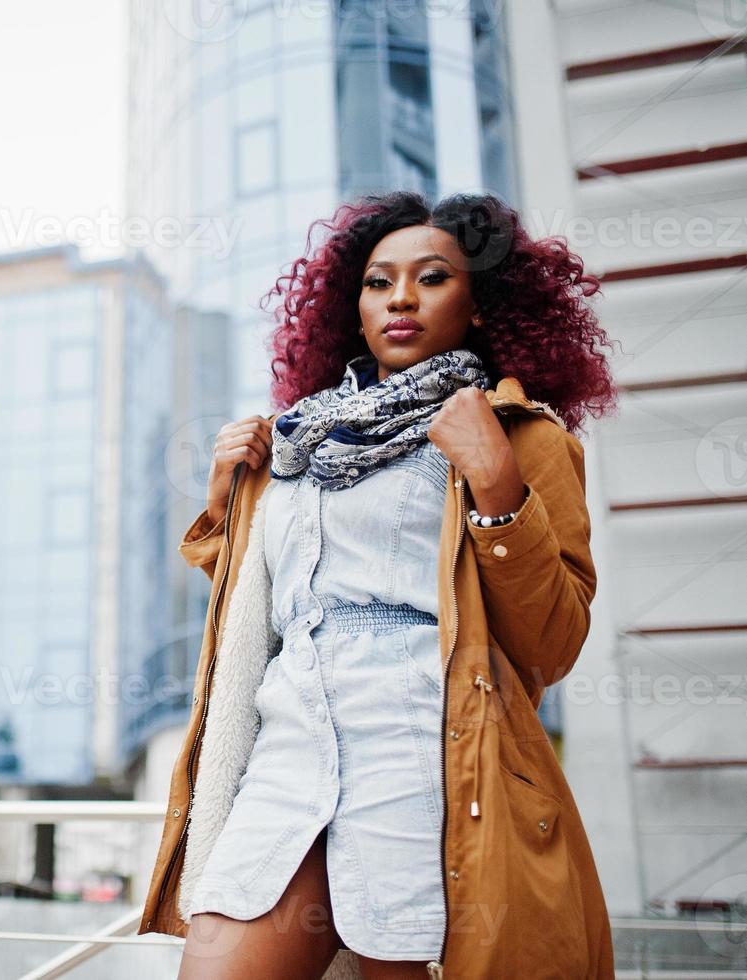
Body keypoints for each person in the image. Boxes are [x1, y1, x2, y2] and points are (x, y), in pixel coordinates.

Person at [138, 190, 620, 979]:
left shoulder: (519, 436)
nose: (399, 297)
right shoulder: (295, 441)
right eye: (376, 281)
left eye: (430, 278)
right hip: (287, 740)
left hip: (425, 746)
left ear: (478, 304)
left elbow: (552, 642)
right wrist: (226, 505)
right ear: (349, 309)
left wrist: (497, 486)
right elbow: (263, 610)